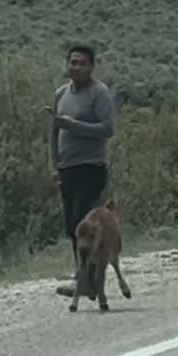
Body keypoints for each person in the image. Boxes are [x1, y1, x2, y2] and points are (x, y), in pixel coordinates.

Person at [48, 45, 116, 298]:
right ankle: (85, 278)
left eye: (82, 63)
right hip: (67, 169)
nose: (76, 67)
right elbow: (53, 133)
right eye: (73, 62)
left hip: (91, 167)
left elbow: (107, 128)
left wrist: (73, 125)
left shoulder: (100, 93)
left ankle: (88, 281)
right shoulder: (60, 94)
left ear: (91, 67)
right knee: (72, 227)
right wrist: (53, 166)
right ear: (67, 65)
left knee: (84, 223)